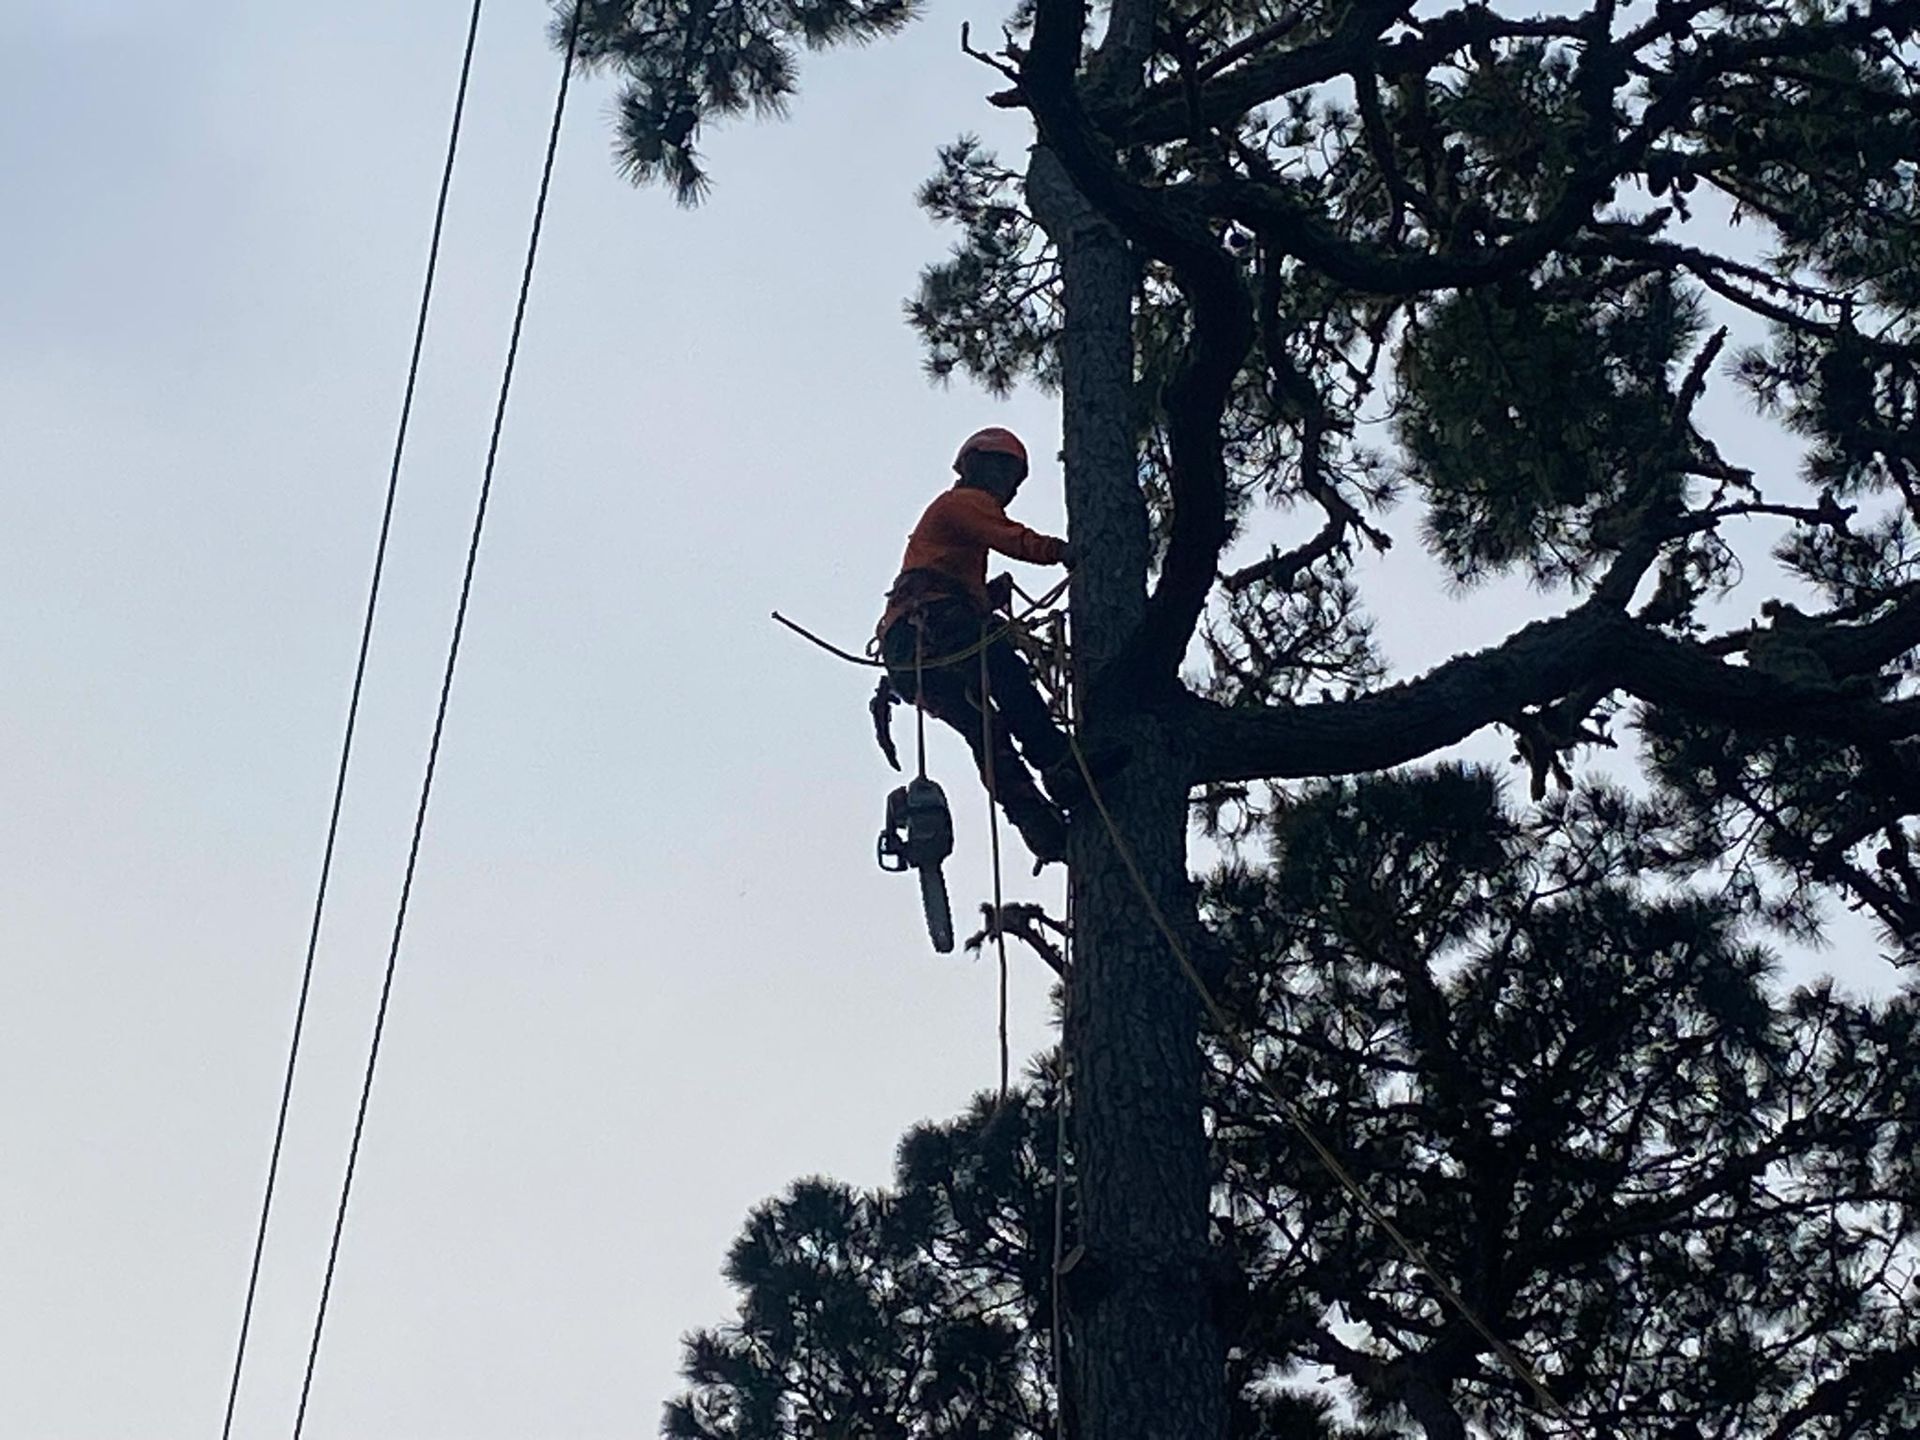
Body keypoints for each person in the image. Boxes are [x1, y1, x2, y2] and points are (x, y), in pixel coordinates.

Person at [875, 427, 1113, 865]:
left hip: (911, 652)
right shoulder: (963, 503)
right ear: (976, 465)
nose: (1008, 484)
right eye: (1003, 470)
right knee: (1006, 671)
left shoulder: (950, 522)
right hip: (930, 626)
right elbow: (1010, 537)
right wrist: (1063, 552)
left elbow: (946, 571)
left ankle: (1038, 825)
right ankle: (1057, 761)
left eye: (1014, 478)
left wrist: (983, 597)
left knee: (985, 730)